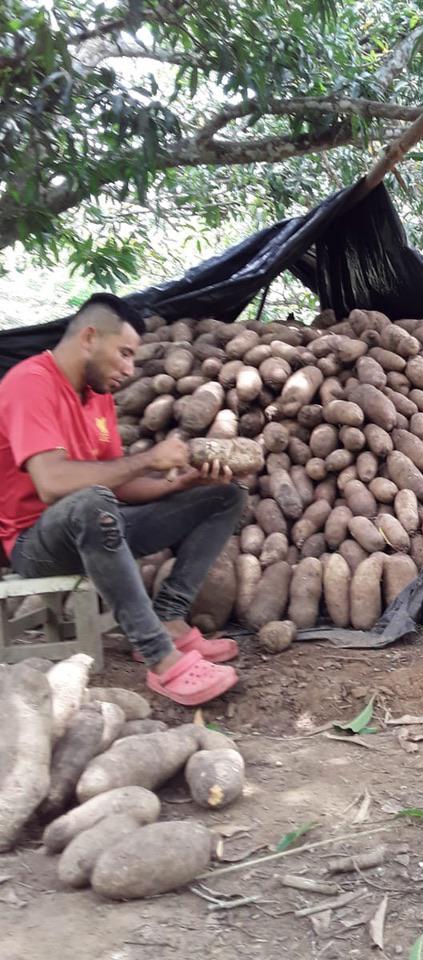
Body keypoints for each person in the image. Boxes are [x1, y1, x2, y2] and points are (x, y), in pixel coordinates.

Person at [0, 293, 247, 706]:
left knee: (224, 495)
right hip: (35, 546)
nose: (130, 369)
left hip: (98, 524)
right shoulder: (29, 383)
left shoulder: (96, 396)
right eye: (125, 354)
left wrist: (182, 484)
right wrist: (149, 458)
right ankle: (161, 657)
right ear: (89, 338)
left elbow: (118, 484)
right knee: (91, 502)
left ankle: (169, 618)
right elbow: (52, 482)